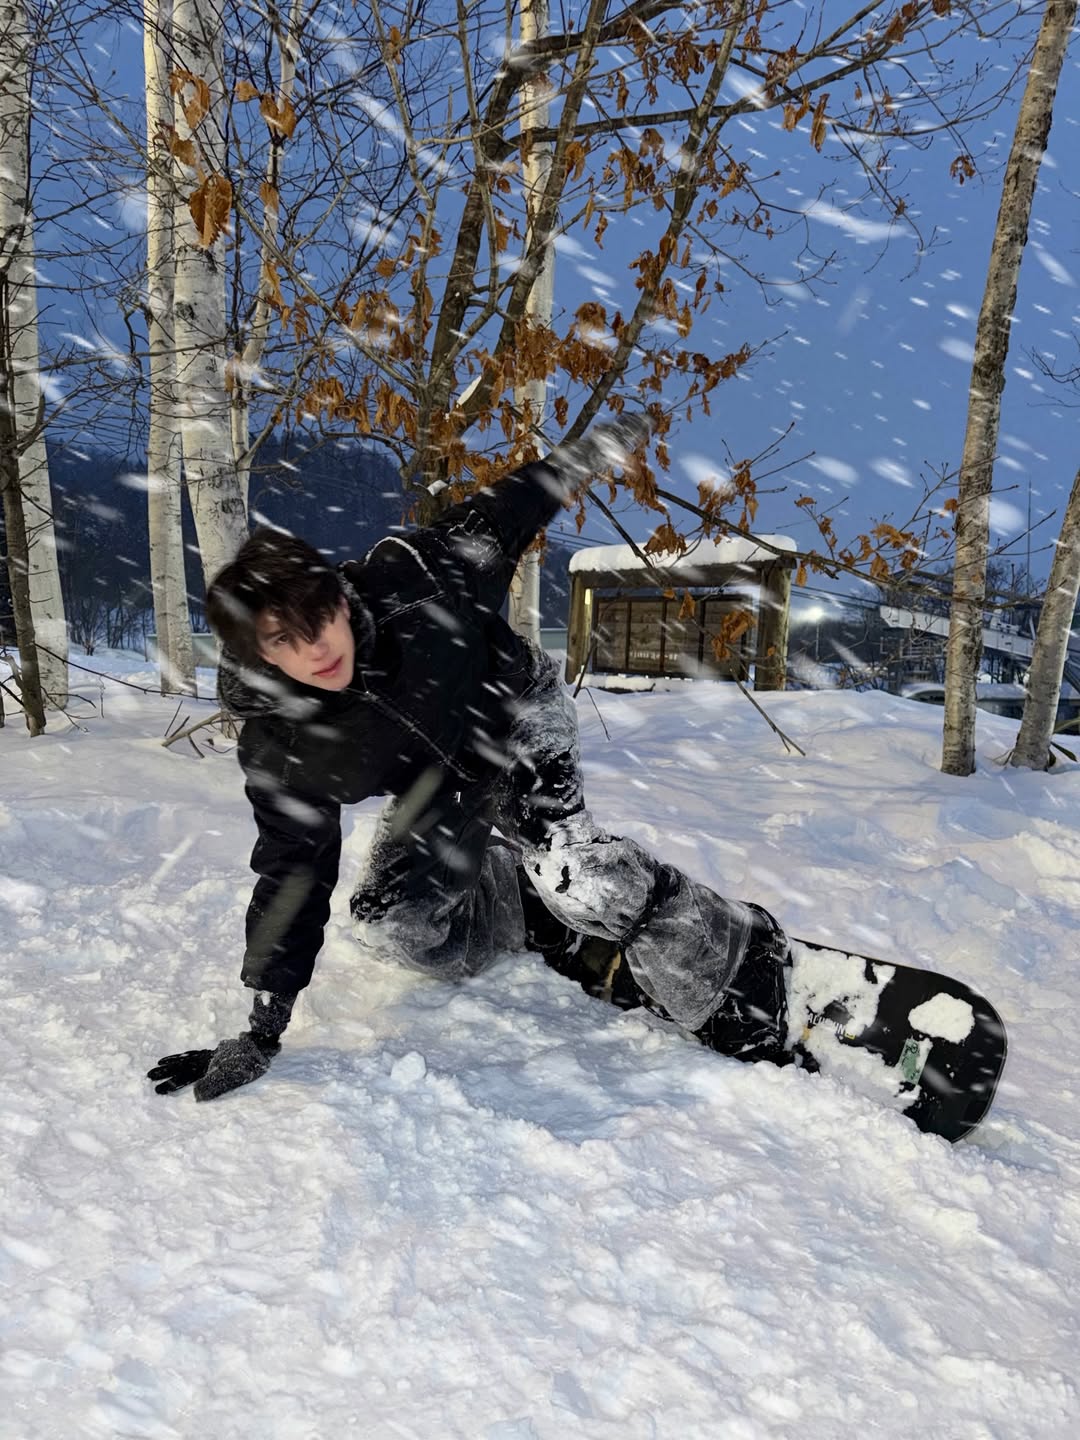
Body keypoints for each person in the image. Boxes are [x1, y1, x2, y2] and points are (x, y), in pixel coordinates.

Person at [147, 415, 793, 1102]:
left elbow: (509, 508)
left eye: (320, 616)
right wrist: (262, 1030)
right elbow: (292, 875)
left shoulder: (417, 577)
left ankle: (745, 964)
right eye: (285, 640)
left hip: (511, 716)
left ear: (337, 591)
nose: (318, 649)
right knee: (395, 927)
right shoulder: (282, 748)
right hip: (438, 781)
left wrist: (583, 455)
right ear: (258, 652)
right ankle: (516, 901)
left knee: (576, 873)